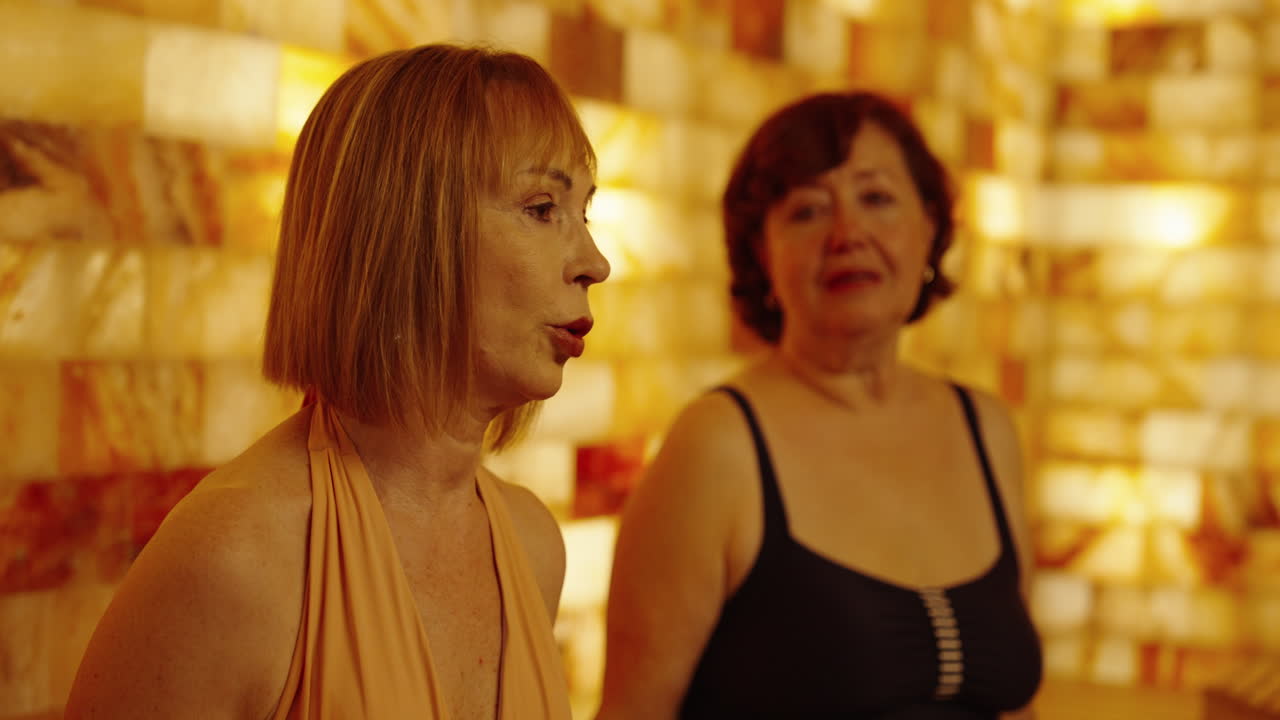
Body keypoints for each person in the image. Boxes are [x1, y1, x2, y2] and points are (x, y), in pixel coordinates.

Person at [66, 44, 609, 719]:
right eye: (541, 208)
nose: (596, 262)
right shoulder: (238, 556)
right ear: (407, 230)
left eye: (585, 212)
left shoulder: (533, 546)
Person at [596, 91, 1041, 719]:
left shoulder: (986, 428)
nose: (847, 234)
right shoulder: (717, 446)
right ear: (761, 255)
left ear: (931, 227)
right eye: (807, 211)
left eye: (877, 198)